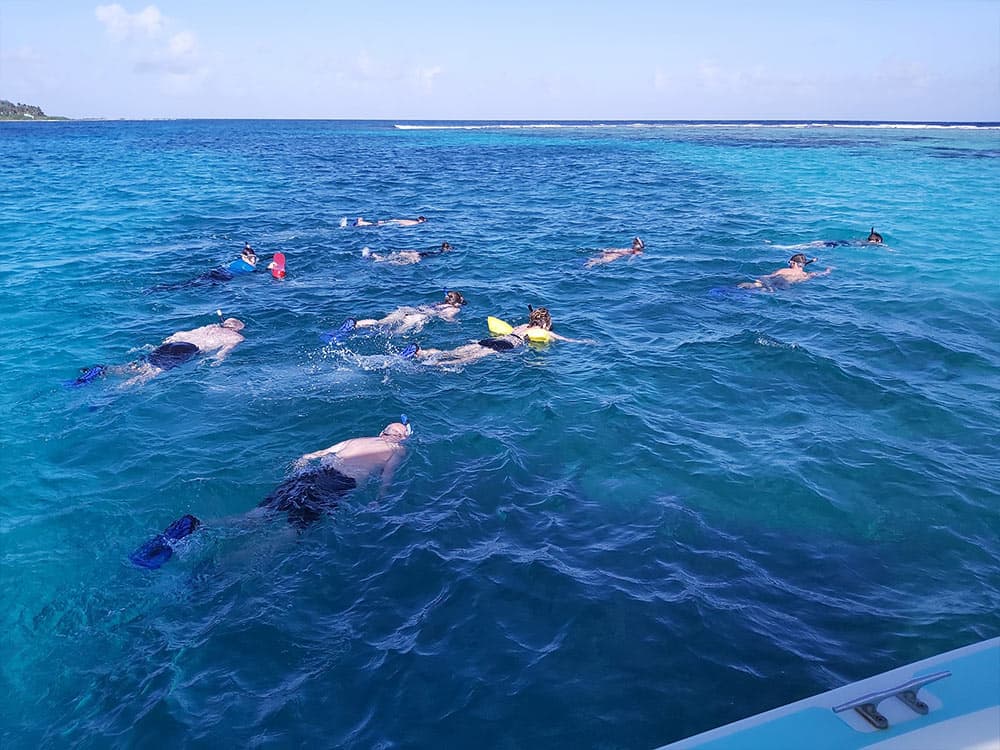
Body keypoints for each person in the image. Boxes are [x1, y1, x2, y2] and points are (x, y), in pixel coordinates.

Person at [129, 419, 413, 568]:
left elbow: (312, 455)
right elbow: (386, 480)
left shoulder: (357, 439)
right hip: (335, 486)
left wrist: (301, 462)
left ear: (382, 431)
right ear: (400, 437)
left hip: (311, 475)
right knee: (292, 533)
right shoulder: (396, 450)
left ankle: (195, 525)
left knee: (255, 516)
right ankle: (219, 565)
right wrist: (379, 501)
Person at [67, 316, 247, 388]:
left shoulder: (210, 327)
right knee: (149, 375)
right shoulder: (236, 337)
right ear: (237, 330)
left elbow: (179, 335)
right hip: (187, 350)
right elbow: (222, 353)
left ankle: (103, 369)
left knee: (139, 366)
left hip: (174, 343)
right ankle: (113, 394)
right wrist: (215, 363)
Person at [411, 305, 589, 367]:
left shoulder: (521, 326)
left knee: (455, 351)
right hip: (504, 346)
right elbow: (563, 339)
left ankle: (423, 352)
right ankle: (430, 366)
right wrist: (583, 341)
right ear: (546, 323)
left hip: (492, 340)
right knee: (462, 361)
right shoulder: (542, 332)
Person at [328, 290, 467, 341]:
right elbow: (446, 318)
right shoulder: (453, 309)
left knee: (379, 323)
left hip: (408, 310)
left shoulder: (437, 303)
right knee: (393, 334)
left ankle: (356, 323)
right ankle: (359, 336)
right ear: (458, 302)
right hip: (417, 317)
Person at [738, 253, 833, 291]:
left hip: (779, 278)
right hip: (785, 285)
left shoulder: (785, 270)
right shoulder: (807, 275)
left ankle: (738, 288)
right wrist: (828, 270)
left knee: (757, 285)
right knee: (765, 290)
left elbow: (768, 276)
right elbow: (823, 274)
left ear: (792, 263)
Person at [361, 242, 453, 265]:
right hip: (421, 255)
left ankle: (374, 255)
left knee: (395, 256)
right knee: (395, 260)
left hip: (421, 253)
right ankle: (376, 257)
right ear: (447, 248)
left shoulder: (438, 250)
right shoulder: (441, 252)